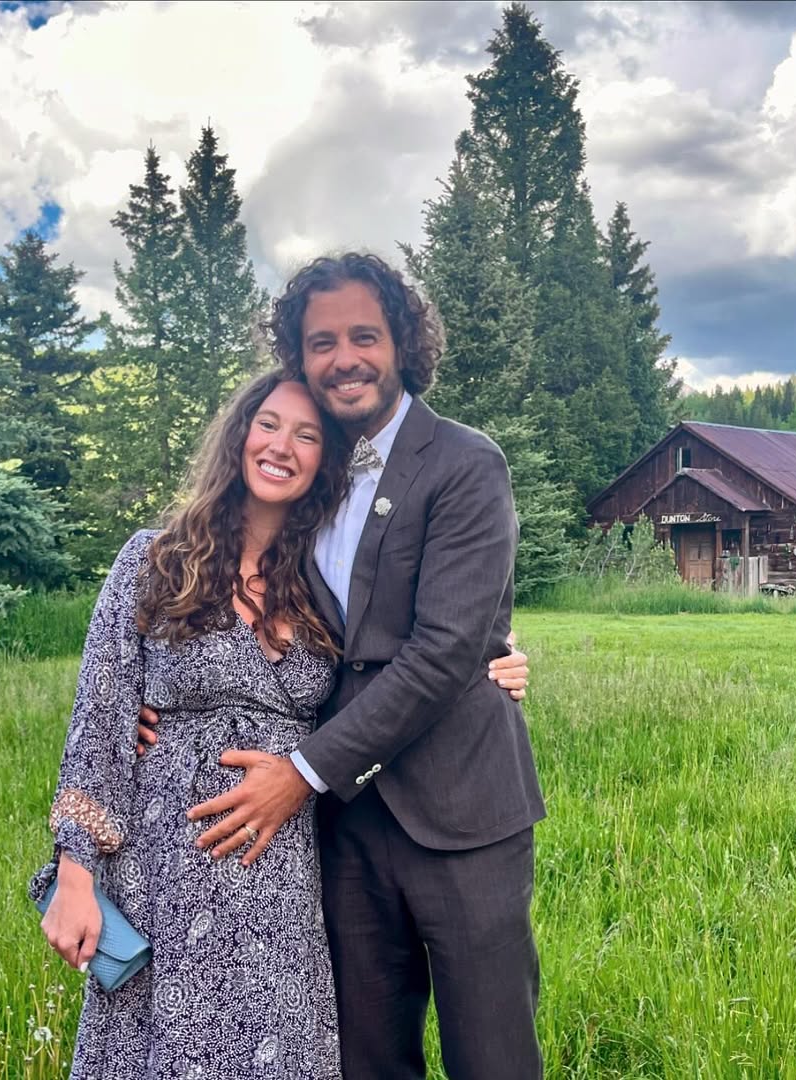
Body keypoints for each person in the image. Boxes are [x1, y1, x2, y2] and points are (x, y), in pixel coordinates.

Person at [177, 254, 546, 1079]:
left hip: (461, 811)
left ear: (402, 343)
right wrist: (159, 709)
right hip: (345, 830)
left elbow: (447, 647)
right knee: (364, 1058)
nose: (344, 358)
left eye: (363, 337)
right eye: (322, 343)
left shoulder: (465, 463)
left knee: (492, 1056)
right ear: (299, 357)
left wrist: (303, 772)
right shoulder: (305, 477)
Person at [31, 372, 350, 1078]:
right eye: (270, 424)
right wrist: (76, 874)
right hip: (166, 866)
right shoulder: (155, 560)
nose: (282, 446)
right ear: (240, 435)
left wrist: (499, 654)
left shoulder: (326, 582)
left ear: (325, 463)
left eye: (307, 436)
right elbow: (100, 720)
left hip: (282, 882)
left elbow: (404, 665)